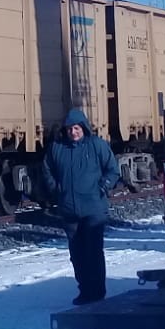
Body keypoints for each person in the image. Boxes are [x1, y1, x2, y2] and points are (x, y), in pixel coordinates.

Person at [40, 107, 120, 305]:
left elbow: (112, 170)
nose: (73, 132)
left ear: (83, 127)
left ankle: (97, 292)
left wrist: (103, 187)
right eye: (69, 129)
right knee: (77, 254)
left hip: (94, 208)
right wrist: (56, 189)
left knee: (93, 252)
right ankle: (84, 290)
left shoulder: (97, 145)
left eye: (76, 128)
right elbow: (47, 169)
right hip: (69, 210)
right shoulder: (57, 148)